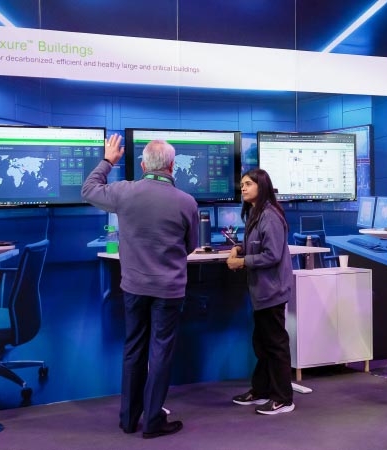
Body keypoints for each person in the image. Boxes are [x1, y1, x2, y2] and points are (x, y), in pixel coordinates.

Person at [81, 135, 198, 439]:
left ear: (144, 165)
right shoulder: (187, 202)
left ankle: (129, 418)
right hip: (169, 289)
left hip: (133, 286)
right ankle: (153, 421)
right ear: (172, 166)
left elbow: (88, 190)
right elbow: (191, 246)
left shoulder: (123, 192)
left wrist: (108, 161)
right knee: (161, 351)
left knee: (134, 348)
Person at [226, 168, 295, 415]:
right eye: (241, 184)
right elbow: (257, 244)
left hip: (272, 291)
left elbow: (272, 254)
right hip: (261, 291)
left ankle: (284, 398)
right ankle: (262, 389)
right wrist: (240, 249)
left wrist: (242, 262)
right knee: (263, 343)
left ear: (261, 186)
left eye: (247, 184)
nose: (242, 188)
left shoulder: (270, 216)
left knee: (275, 345)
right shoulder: (255, 214)